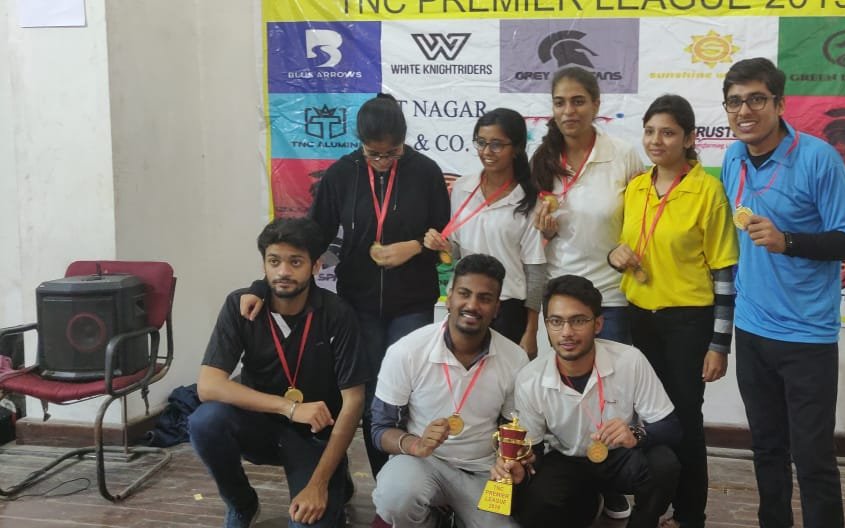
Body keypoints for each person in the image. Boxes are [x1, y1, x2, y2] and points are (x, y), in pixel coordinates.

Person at [242, 93, 452, 478]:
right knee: (370, 393)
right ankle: (385, 480)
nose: (383, 161)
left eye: (392, 153)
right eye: (374, 153)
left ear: (403, 141)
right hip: (359, 302)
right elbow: (310, 236)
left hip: (414, 302)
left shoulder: (425, 172)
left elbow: (445, 233)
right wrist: (262, 285)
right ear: (360, 142)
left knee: (411, 389)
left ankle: (418, 479)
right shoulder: (342, 174)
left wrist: (416, 246)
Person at [719, 57, 845, 528]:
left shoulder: (818, 158)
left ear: (780, 104)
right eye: (734, 102)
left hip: (807, 335)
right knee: (766, 449)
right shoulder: (733, 158)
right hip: (752, 328)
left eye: (756, 99)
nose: (744, 111)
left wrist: (788, 242)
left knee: (813, 457)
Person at [608, 94, 739, 528]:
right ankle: (653, 505)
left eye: (667, 132)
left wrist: (719, 344)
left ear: (689, 138)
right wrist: (614, 255)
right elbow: (623, 247)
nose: (656, 140)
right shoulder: (637, 188)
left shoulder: (708, 191)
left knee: (683, 420)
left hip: (687, 322)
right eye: (649, 131)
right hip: (638, 317)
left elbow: (724, 273)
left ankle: (689, 514)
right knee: (644, 417)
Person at [190, 218, 371, 528]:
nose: (283, 271)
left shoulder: (337, 314)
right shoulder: (241, 306)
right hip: (259, 426)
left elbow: (354, 402)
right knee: (205, 422)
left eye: (295, 262)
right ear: (264, 265)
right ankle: (241, 503)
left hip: (313, 434)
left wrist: (318, 485)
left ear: (315, 266)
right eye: (274, 261)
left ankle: (333, 476)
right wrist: (290, 407)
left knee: (308, 523)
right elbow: (208, 386)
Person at [508, 275, 682, 528]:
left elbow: (671, 427)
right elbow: (534, 450)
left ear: (598, 324)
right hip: (567, 459)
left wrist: (636, 434)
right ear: (546, 325)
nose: (566, 332)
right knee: (533, 506)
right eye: (556, 321)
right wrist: (520, 464)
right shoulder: (530, 378)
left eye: (578, 320)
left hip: (618, 457)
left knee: (664, 465)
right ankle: (588, 505)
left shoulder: (629, 360)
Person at [370, 254, 529, 528]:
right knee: (396, 497)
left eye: (484, 298)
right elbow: (380, 429)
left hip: (482, 471)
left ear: (497, 308)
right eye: (464, 294)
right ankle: (431, 521)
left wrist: (508, 461)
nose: (472, 305)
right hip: (422, 463)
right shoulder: (407, 351)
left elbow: (511, 427)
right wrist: (416, 444)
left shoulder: (515, 358)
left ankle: (455, 517)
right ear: (449, 297)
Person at [530, 67, 645, 347]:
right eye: (560, 103)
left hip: (611, 294)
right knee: (567, 374)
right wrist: (545, 232)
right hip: (560, 292)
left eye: (578, 101)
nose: (568, 111)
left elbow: (642, 221)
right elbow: (533, 236)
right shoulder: (542, 159)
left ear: (596, 105)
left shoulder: (622, 154)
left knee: (612, 374)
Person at [423, 108, 546, 358]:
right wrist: (443, 246)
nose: (487, 152)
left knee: (508, 379)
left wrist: (531, 330)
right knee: (462, 372)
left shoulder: (529, 200)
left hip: (508, 307)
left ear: (517, 148)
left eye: (497, 144)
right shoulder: (462, 188)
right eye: (481, 142)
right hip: (466, 302)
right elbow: (456, 251)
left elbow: (535, 271)